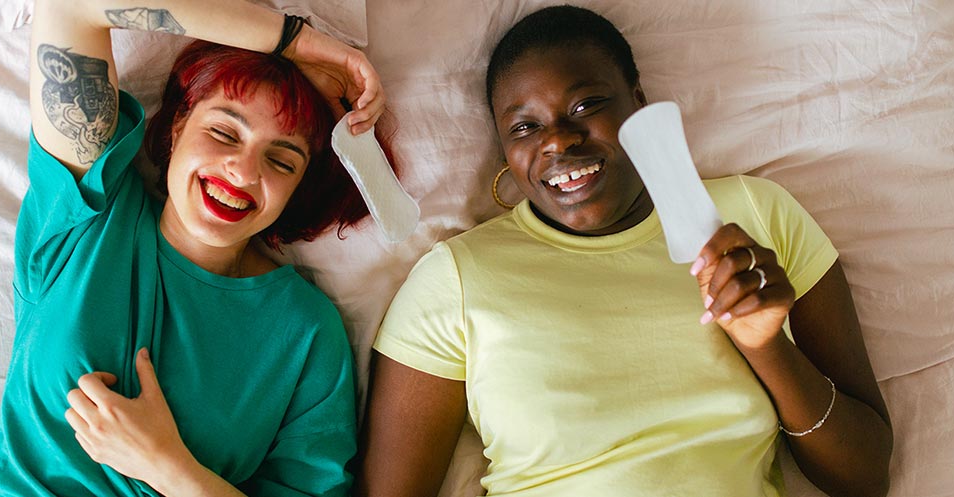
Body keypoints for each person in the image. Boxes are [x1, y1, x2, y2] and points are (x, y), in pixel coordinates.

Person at [357, 5, 892, 497]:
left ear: (638, 103)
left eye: (586, 105)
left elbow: (863, 475)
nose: (559, 141)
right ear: (505, 152)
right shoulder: (454, 278)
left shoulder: (754, 215)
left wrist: (766, 346)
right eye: (525, 126)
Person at [0, 0, 386, 495]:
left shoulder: (307, 333)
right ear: (175, 127)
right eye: (224, 131)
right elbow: (73, 6)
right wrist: (295, 40)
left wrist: (165, 465)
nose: (244, 172)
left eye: (282, 160)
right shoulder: (87, 216)